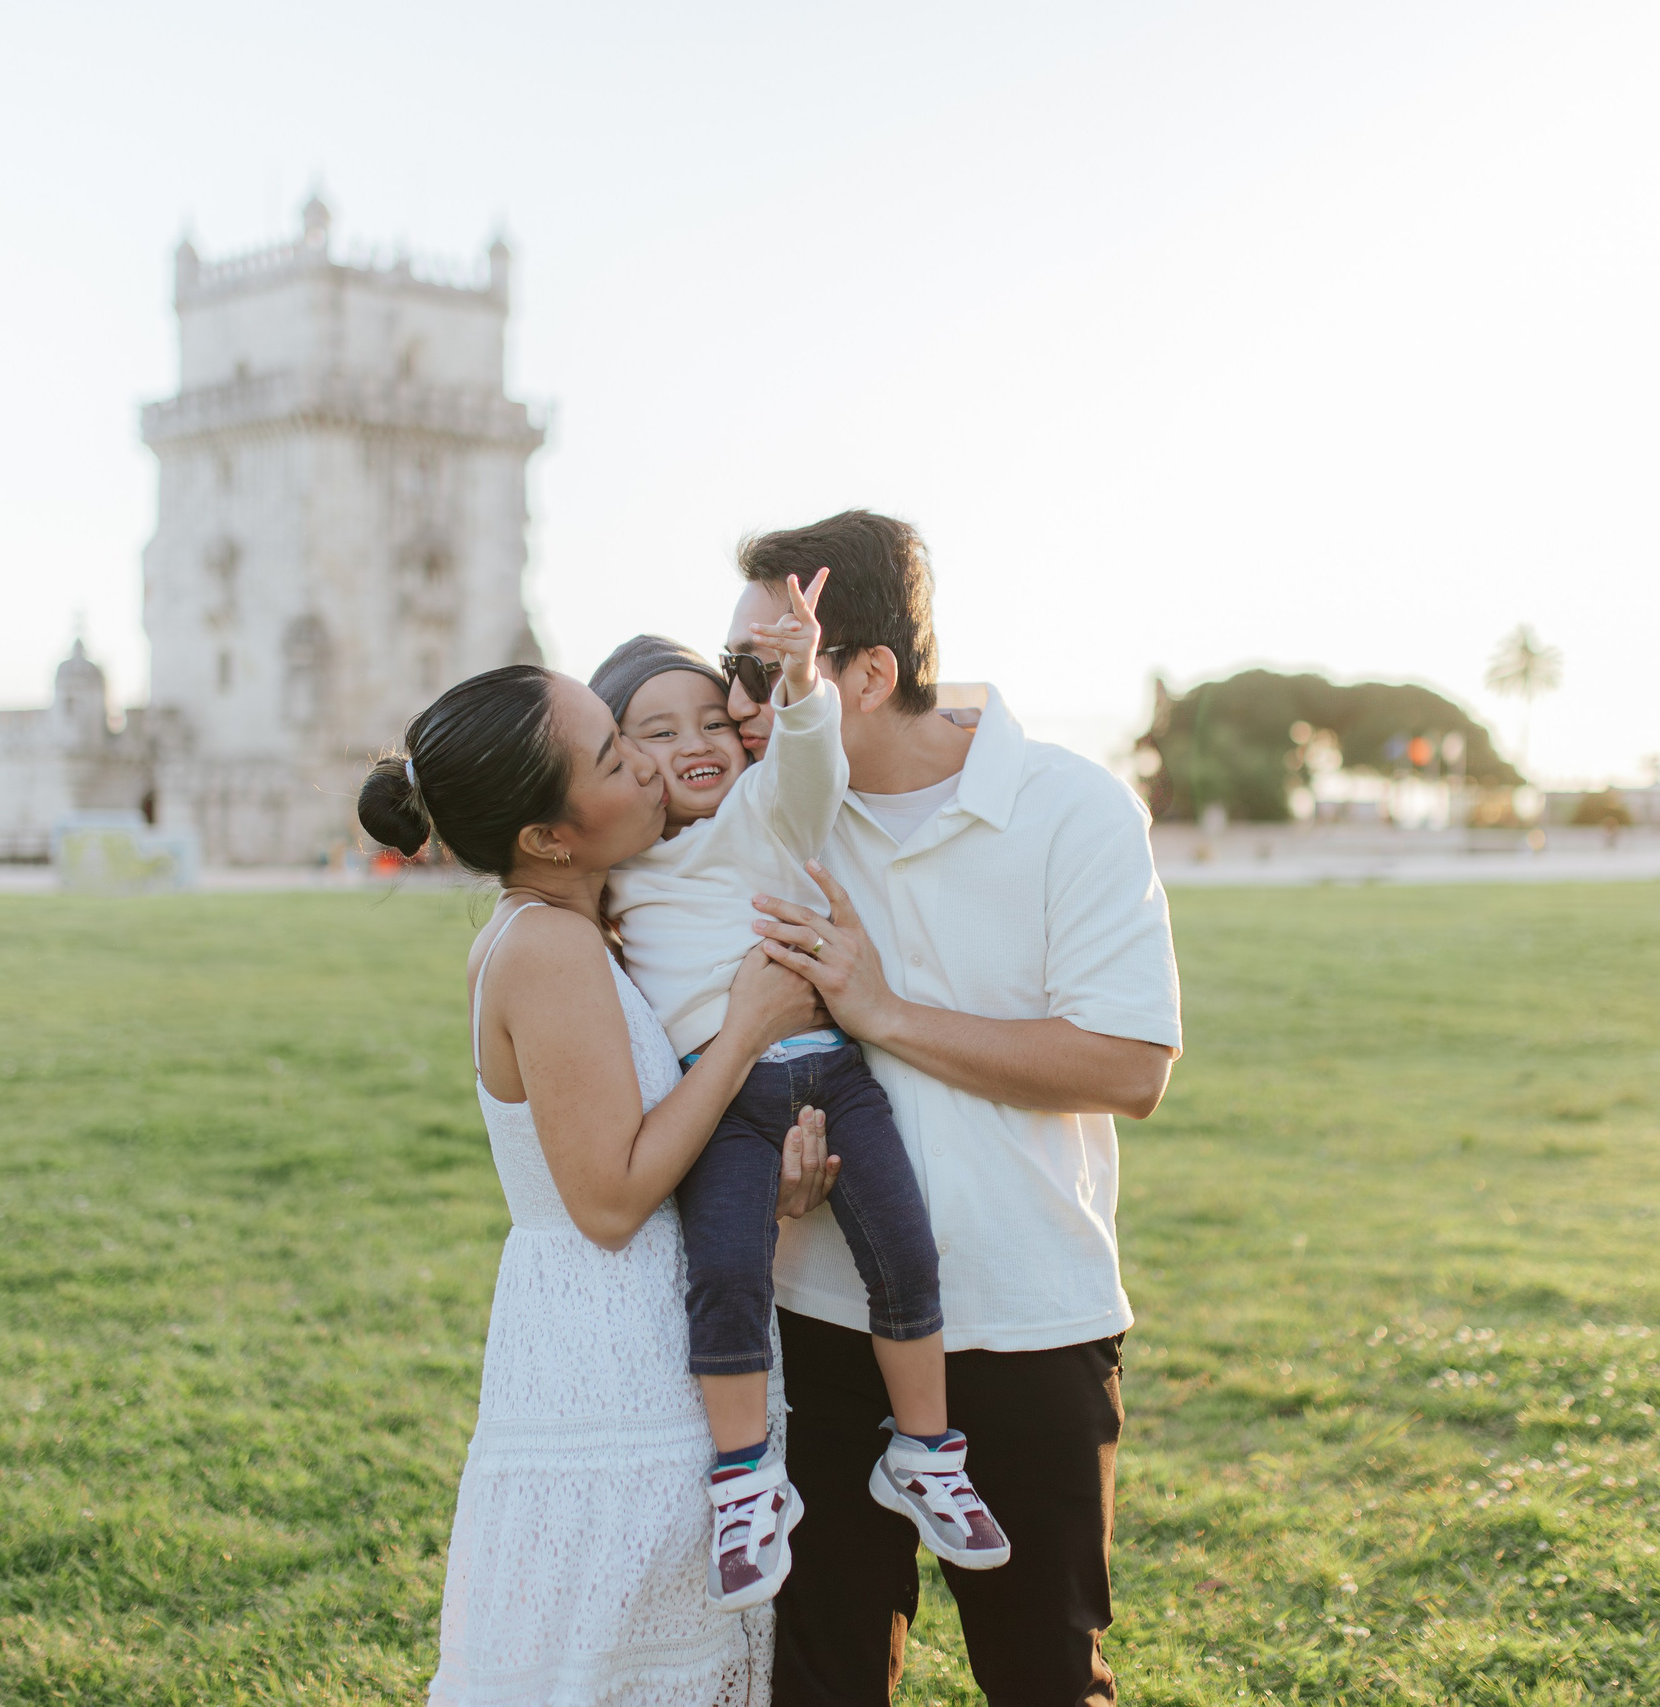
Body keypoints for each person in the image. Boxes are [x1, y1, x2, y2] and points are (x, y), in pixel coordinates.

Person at [721, 511, 1184, 1704]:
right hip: (821, 1316)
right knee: (819, 1685)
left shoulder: (1073, 806)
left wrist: (882, 1010)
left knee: (1043, 1678)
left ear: (868, 675)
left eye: (763, 672)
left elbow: (1128, 1066)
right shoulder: (778, 813)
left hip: (1028, 1317)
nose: (735, 707)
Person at [356, 664, 843, 1705]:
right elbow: (612, 1201)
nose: (651, 768)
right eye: (616, 758)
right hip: (614, 1358)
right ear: (547, 837)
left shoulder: (564, 929)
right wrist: (749, 1027)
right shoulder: (547, 947)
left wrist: (759, 1186)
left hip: (618, 1334)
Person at [589, 570, 1007, 1616]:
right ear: (615, 758)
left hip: (833, 1074)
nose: (696, 741)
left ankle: (925, 1452)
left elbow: (811, 763)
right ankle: (744, 1480)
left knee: (904, 1253)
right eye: (654, 732)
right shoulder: (617, 873)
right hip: (722, 1100)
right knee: (726, 1276)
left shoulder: (764, 813)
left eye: (711, 720)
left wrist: (803, 679)